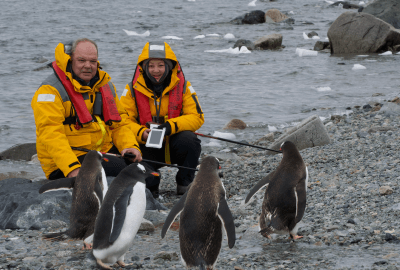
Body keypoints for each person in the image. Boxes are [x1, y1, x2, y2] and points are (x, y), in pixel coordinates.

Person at [31, 38, 142, 180]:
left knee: (149, 175)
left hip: (100, 153)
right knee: (132, 176)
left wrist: (129, 146)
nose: (88, 66)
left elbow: (119, 124)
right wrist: (72, 168)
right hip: (66, 164)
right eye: (81, 60)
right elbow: (50, 134)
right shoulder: (49, 91)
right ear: (70, 60)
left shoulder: (105, 86)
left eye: (93, 61)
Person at [120, 42, 204, 197]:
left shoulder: (184, 86)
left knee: (190, 140)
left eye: (160, 65)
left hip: (174, 144)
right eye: (151, 66)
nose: (156, 70)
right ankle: (151, 185)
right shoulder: (131, 89)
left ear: (169, 66)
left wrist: (169, 127)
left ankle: (184, 183)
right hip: (146, 146)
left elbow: (197, 117)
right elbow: (122, 121)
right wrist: (141, 132)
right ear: (144, 67)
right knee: (131, 156)